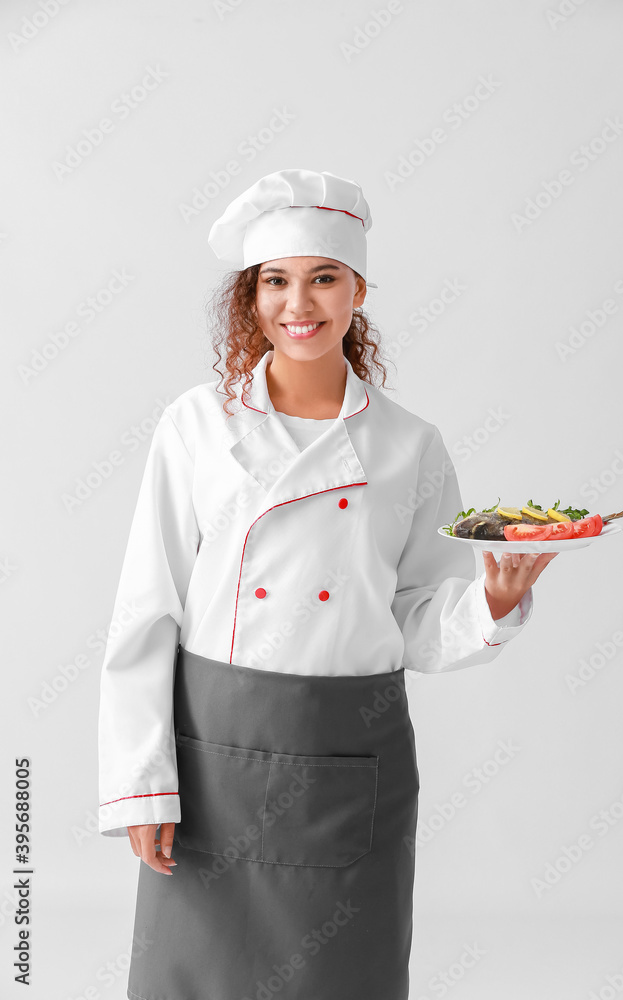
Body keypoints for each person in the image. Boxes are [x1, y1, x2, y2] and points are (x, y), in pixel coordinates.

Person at [97, 168, 557, 1000]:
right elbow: (146, 608)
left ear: (357, 290)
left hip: (348, 755)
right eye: (275, 280)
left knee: (344, 976)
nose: (297, 304)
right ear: (250, 295)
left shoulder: (409, 446)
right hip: (212, 760)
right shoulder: (196, 425)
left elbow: (417, 616)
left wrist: (491, 600)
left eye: (322, 278)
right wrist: (141, 783)